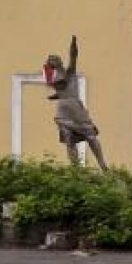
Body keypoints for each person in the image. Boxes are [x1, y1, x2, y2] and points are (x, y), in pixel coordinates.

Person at [43, 35, 109, 170]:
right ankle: (76, 169)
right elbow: (62, 90)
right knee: (69, 139)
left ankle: (103, 165)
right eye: (50, 60)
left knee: (90, 135)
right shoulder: (54, 77)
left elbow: (73, 57)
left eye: (54, 59)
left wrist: (73, 45)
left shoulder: (69, 72)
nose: (51, 61)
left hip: (75, 108)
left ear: (59, 62)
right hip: (63, 109)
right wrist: (56, 96)